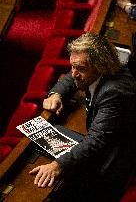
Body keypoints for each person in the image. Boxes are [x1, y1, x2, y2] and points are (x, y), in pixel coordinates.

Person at [29, 32, 136, 202]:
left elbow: (96, 141)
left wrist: (58, 165)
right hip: (104, 142)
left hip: (112, 162)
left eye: (80, 68)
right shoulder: (96, 69)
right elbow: (72, 78)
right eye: (73, 66)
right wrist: (57, 94)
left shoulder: (115, 92)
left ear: (100, 66)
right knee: (44, 133)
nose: (74, 73)